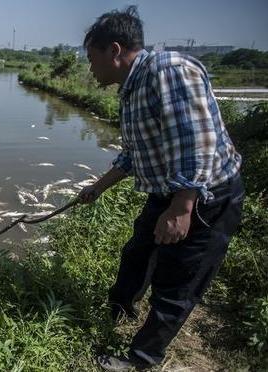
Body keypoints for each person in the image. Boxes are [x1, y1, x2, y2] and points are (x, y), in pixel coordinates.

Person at [77, 6, 245, 371]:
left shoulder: (168, 72)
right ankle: (119, 311)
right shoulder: (131, 88)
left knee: (178, 282)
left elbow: (196, 143)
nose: (90, 69)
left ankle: (141, 359)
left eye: (92, 59)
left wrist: (182, 208)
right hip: (169, 191)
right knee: (138, 253)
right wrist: (97, 188)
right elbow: (135, 154)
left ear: (115, 51)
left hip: (205, 197)